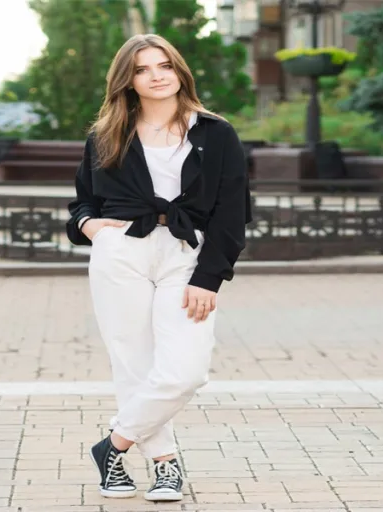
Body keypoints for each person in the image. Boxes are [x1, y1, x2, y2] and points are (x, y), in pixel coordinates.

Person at [65, 33, 251, 502]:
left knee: (186, 369)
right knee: (133, 363)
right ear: (127, 80)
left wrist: (210, 277)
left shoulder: (215, 133)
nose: (156, 76)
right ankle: (164, 464)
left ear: (179, 70)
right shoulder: (107, 133)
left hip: (186, 253)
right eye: (143, 69)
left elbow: (233, 211)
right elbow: (83, 201)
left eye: (164, 65)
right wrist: (90, 226)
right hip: (121, 251)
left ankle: (114, 444)